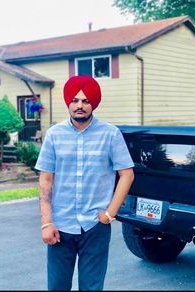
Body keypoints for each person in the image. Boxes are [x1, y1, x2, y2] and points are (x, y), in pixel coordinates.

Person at [35, 75, 134, 291]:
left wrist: (110, 213)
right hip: (60, 227)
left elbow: (126, 174)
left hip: (95, 226)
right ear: (68, 103)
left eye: (86, 101)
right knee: (57, 287)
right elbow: (45, 178)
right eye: (75, 100)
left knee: (92, 287)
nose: (80, 106)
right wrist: (46, 222)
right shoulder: (54, 135)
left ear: (93, 104)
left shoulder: (110, 134)